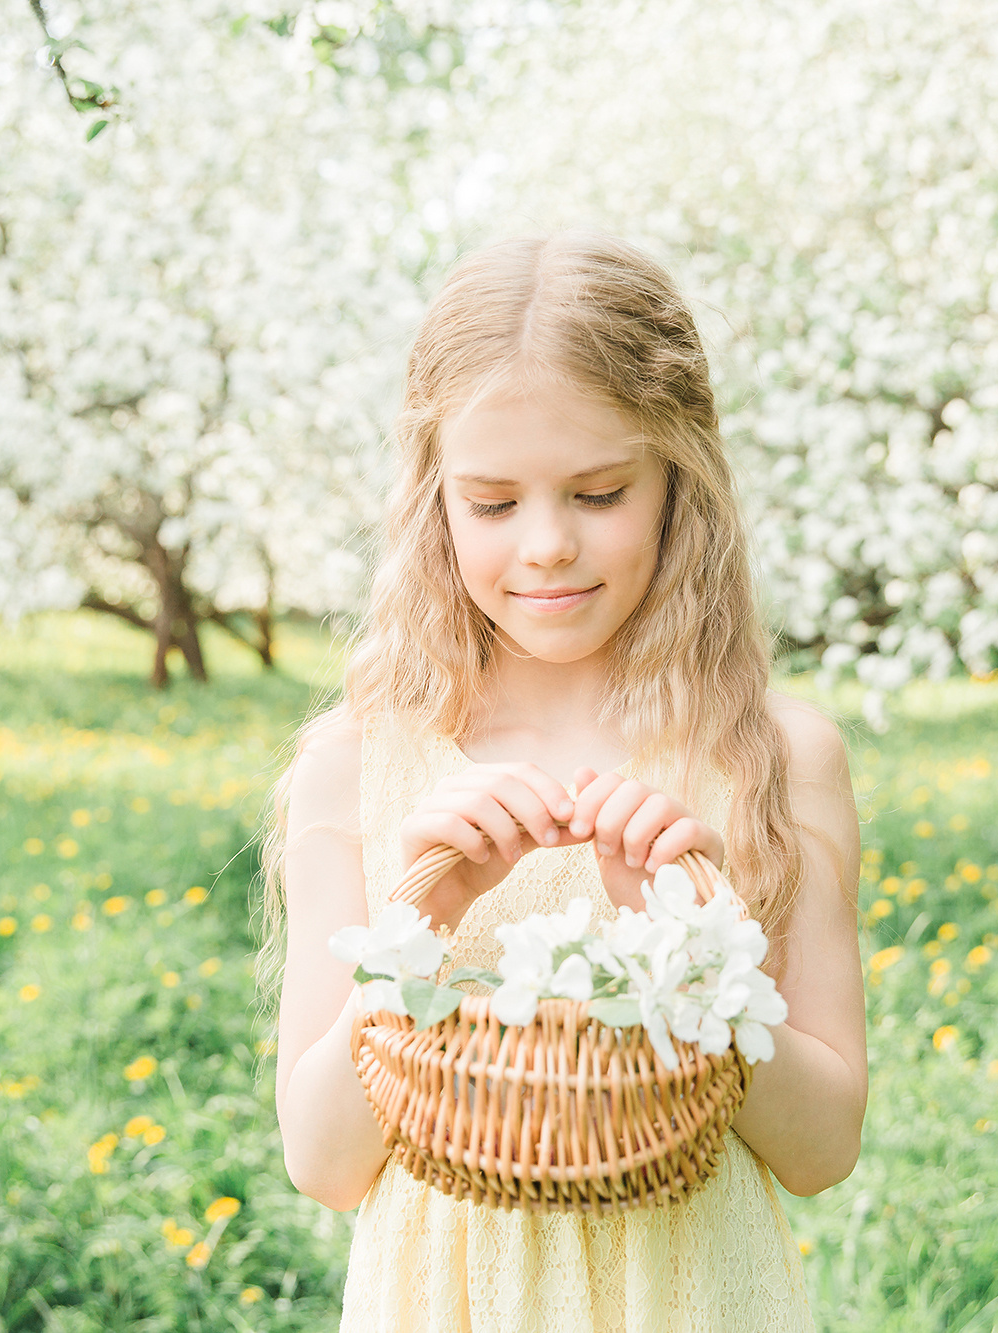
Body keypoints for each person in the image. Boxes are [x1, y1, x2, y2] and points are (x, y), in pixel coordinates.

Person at [259, 231, 867, 1331]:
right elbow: (322, 1161)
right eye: (490, 502)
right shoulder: (358, 762)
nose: (544, 544)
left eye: (597, 492)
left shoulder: (771, 753)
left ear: (678, 478)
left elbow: (821, 1149)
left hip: (689, 1298)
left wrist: (694, 958)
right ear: (430, 500)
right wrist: (418, 922)